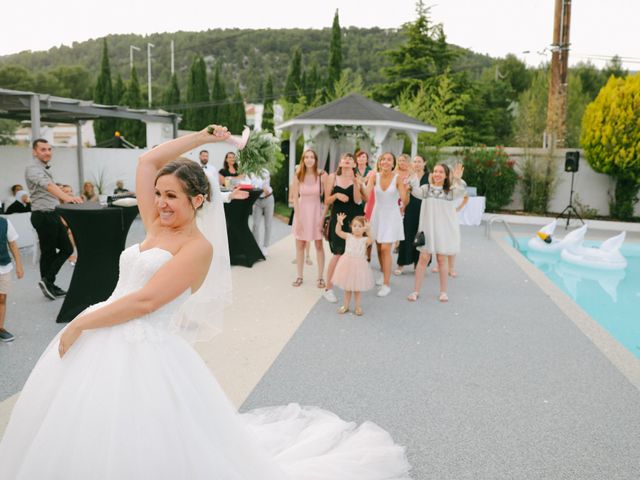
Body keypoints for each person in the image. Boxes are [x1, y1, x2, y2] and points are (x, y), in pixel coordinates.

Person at [0, 125, 410, 479]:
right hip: (105, 330)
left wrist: (79, 324)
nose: (160, 203)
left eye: (171, 196)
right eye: (158, 194)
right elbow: (146, 163)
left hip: (140, 344)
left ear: (197, 200)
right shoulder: (157, 223)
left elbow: (145, 301)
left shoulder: (197, 248)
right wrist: (201, 139)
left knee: (141, 440)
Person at [25, 138, 83, 300]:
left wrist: (65, 196)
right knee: (49, 252)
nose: (47, 152)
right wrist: (68, 198)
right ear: (34, 152)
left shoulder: (44, 169)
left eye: (49, 149)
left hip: (52, 214)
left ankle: (47, 281)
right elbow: (48, 186)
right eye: (43, 149)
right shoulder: (32, 168)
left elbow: (53, 187)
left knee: (67, 248)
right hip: (43, 215)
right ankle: (48, 283)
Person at [406, 163, 466, 302]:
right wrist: (413, 176)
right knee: (423, 259)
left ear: (446, 176)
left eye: (441, 172)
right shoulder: (426, 189)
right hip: (427, 229)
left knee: (441, 259)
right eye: (435, 171)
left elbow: (462, 191)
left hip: (443, 230)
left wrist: (457, 179)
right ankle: (415, 291)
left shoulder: (450, 191)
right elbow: (415, 191)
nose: (437, 174)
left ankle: (443, 292)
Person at [364, 152, 408, 297]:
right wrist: (359, 184)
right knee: (378, 245)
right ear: (379, 162)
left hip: (391, 216)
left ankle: (386, 284)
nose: (386, 162)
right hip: (377, 214)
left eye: (389, 160)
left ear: (393, 163)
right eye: (383, 159)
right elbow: (366, 194)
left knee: (385, 248)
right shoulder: (374, 177)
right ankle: (384, 274)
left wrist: (405, 190)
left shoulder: (398, 178)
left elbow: (405, 201)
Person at [321, 153, 362, 303]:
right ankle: (328, 289)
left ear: (354, 165)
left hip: (354, 222)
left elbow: (358, 201)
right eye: (345, 158)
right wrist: (337, 195)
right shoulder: (332, 177)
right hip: (338, 220)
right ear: (340, 162)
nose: (347, 160)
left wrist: (357, 184)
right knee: (338, 254)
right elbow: (326, 200)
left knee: (352, 255)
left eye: (351, 159)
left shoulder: (356, 178)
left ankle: (349, 286)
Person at [290, 149, 326, 288]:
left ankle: (320, 277)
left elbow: (326, 197)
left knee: (318, 245)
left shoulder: (321, 176)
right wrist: (298, 220)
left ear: (316, 160)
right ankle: (299, 276)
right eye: (306, 157)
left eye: (312, 157)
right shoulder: (298, 175)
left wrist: (322, 218)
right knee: (300, 245)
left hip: (317, 213)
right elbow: (294, 199)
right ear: (303, 160)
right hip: (302, 214)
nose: (309, 159)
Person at [331, 213, 374, 316]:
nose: (357, 228)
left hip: (359, 267)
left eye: (360, 226)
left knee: (357, 289)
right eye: (355, 226)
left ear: (363, 228)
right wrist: (339, 222)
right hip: (347, 265)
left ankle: (357, 307)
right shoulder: (349, 236)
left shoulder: (364, 240)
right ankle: (345, 306)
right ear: (351, 227)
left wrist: (368, 230)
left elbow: (371, 239)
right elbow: (338, 232)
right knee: (348, 288)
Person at [395, 155, 428, 275]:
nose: (417, 164)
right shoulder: (409, 175)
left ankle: (417, 264)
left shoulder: (429, 176)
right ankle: (401, 264)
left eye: (419, 161)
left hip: (425, 209)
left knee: (421, 235)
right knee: (406, 234)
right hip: (410, 207)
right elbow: (402, 191)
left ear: (424, 163)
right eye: (415, 161)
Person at [432, 193, 468, 277]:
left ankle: (451, 268)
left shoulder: (458, 184)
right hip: (440, 216)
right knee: (440, 240)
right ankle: (439, 265)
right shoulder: (442, 183)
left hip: (452, 217)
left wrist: (458, 208)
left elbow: (466, 197)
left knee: (451, 241)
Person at [0, 217, 24, 343]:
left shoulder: (4, 222)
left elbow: (13, 244)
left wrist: (18, 265)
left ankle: (0, 328)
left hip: (4, 266)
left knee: (2, 298)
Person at [250, 168, 274, 256]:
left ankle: (265, 246)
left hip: (268, 199)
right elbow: (252, 185)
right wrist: (259, 186)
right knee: (255, 224)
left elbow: (265, 188)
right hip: (257, 200)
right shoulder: (251, 172)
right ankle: (256, 246)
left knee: (268, 224)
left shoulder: (265, 171)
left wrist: (258, 186)